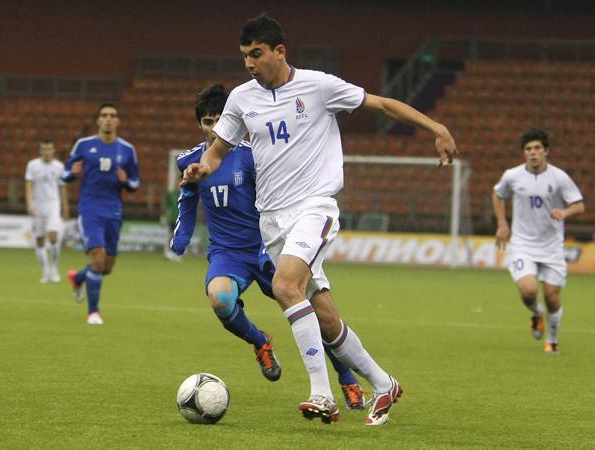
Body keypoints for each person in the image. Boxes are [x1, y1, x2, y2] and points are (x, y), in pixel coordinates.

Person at [182, 15, 456, 426]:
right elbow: (218, 150)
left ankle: (321, 394)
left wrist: (436, 127)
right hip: (271, 220)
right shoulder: (240, 98)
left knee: (284, 286)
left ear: (279, 51)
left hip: (314, 208)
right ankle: (384, 384)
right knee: (325, 318)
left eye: (256, 54)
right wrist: (204, 168)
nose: (250, 64)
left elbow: (382, 104)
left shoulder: (319, 86)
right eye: (244, 56)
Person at [171, 84, 365, 410]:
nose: (214, 128)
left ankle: (346, 377)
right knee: (220, 299)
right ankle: (260, 342)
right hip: (227, 252)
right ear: (199, 124)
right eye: (207, 121)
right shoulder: (190, 161)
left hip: (266, 245)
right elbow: (188, 198)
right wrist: (181, 237)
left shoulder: (253, 154)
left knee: (313, 311)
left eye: (219, 120)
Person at [492, 129, 584, 355]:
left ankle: (552, 340)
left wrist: (564, 212)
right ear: (524, 152)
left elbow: (579, 205)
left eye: (537, 148)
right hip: (523, 244)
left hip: (551, 246)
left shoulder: (559, 177)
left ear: (546, 151)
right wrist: (502, 224)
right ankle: (537, 313)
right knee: (528, 291)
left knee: (552, 296)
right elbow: (498, 194)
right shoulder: (512, 176)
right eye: (528, 149)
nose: (533, 153)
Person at [62, 103, 140, 325]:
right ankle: (93, 312)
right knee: (97, 260)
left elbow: (135, 182)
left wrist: (126, 181)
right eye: (104, 115)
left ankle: (78, 278)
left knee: (106, 267)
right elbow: (65, 173)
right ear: (98, 120)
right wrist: (72, 173)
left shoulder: (127, 150)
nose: (108, 119)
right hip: (90, 210)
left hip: (113, 211)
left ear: (118, 121)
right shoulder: (83, 145)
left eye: (112, 115)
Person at [25, 140, 69, 283]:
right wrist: (30, 204)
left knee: (53, 236)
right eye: (44, 149)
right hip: (38, 204)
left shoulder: (59, 166)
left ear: (53, 150)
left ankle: (54, 268)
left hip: (53, 204)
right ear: (40, 151)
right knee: (39, 240)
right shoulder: (32, 165)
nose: (47, 152)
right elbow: (29, 185)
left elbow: (62, 187)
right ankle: (45, 272)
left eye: (49, 149)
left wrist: (65, 208)